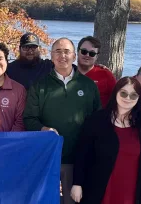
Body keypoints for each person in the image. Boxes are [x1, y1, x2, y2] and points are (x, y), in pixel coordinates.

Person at [24, 38, 101, 204]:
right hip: (49, 158)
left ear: (74, 56)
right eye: (57, 51)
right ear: (51, 56)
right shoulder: (39, 86)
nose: (62, 55)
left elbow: (97, 121)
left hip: (79, 160)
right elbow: (29, 118)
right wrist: (43, 128)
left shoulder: (88, 86)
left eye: (66, 51)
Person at [71, 77, 141, 204]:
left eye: (133, 95)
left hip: (132, 191)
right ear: (116, 93)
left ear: (139, 98)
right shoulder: (96, 120)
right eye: (123, 93)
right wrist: (77, 183)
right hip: (98, 189)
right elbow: (82, 154)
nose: (128, 98)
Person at [77, 36, 116, 104]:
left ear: (96, 57)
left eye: (92, 53)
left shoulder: (106, 75)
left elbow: (117, 99)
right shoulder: (68, 73)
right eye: (84, 51)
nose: (87, 55)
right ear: (77, 51)